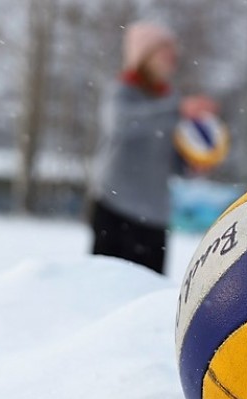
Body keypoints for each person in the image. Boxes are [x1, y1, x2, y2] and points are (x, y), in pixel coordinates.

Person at [90, 20, 217, 274]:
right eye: (164, 49)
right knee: (104, 291)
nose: (173, 56)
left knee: (147, 296)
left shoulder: (168, 98)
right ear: (144, 55)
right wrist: (178, 109)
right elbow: (120, 123)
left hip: (155, 215)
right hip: (115, 207)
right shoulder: (122, 91)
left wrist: (190, 164)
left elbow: (168, 159)